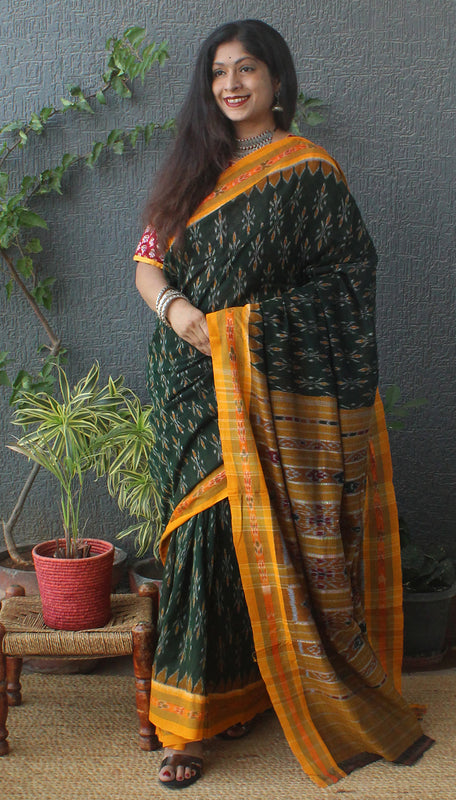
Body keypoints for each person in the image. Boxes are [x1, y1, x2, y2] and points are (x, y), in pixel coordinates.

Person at [134, 19, 433, 790]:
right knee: (201, 533)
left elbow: (346, 279)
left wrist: (244, 328)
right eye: (219, 72)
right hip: (186, 377)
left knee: (247, 530)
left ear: (275, 80)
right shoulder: (191, 169)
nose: (231, 84)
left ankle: (235, 697)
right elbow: (146, 264)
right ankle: (189, 721)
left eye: (247, 69)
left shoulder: (309, 171)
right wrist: (178, 312)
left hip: (264, 374)